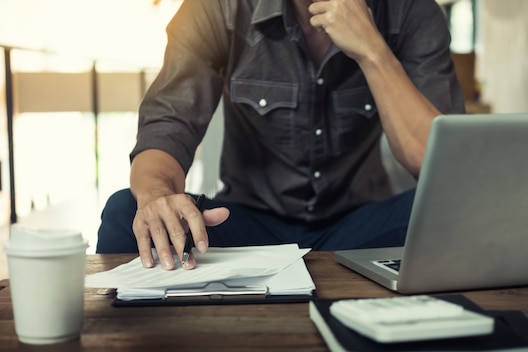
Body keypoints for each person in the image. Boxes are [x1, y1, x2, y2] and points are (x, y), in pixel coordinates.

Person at [96, 0, 465, 270]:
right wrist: (158, 196)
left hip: (359, 227)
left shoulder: (413, 11)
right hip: (247, 224)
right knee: (128, 211)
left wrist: (372, 51)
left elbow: (442, 167)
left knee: (459, 206)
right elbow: (168, 127)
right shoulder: (219, 7)